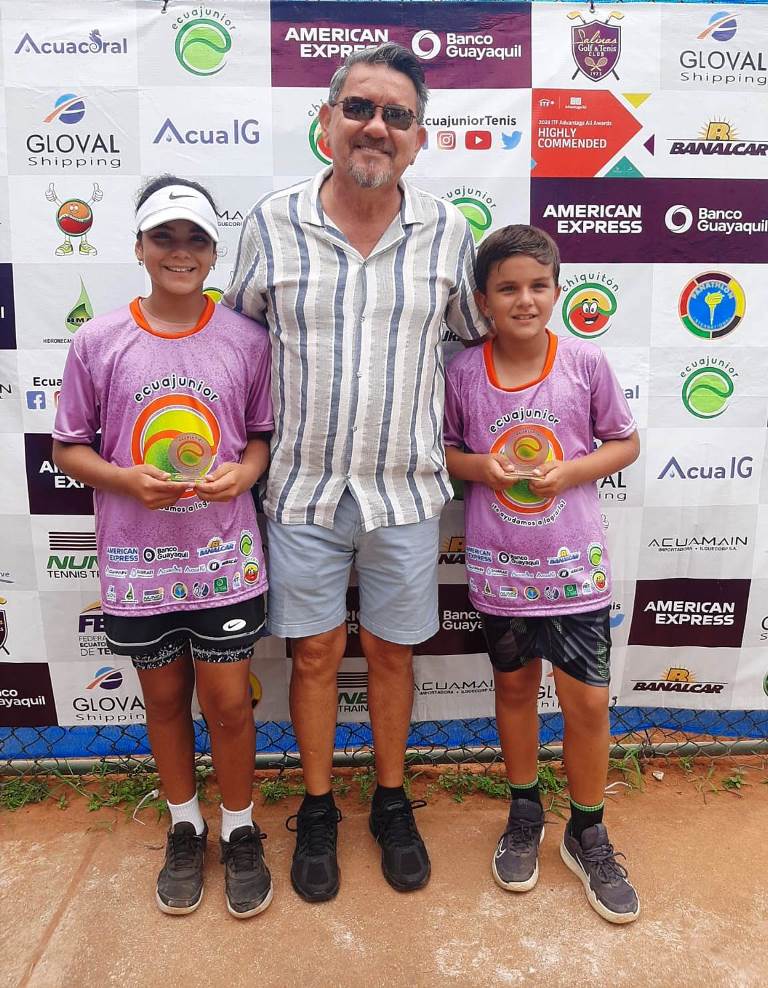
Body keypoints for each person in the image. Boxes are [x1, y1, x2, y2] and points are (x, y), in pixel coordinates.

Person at [223, 42, 486, 901]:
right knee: (312, 657)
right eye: (360, 108)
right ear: (327, 120)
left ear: (419, 136)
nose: (377, 127)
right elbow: (238, 345)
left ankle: (391, 800)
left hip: (404, 491)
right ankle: (318, 806)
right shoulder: (272, 222)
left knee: (392, 657)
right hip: (301, 488)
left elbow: (473, 344)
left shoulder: (449, 232)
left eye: (396, 115)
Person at [52, 175, 274, 919]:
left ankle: (240, 828)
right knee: (165, 699)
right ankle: (185, 825)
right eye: (164, 237)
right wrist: (123, 479)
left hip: (223, 561)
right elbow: (66, 447)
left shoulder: (246, 340)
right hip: (137, 565)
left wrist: (245, 472)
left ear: (214, 252)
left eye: (196, 238)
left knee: (228, 704)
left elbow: (261, 436)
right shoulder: (98, 340)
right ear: (140, 247)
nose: (181, 251)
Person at [443, 225, 641, 924]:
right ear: (483, 300)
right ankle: (525, 810)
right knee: (515, 690)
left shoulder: (585, 363)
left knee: (586, 704)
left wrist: (574, 469)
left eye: (537, 285)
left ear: (557, 291)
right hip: (501, 571)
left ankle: (587, 829)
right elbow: (446, 452)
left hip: (573, 571)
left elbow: (625, 442)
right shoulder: (464, 373)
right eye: (507, 288)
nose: (523, 300)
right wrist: (481, 467)